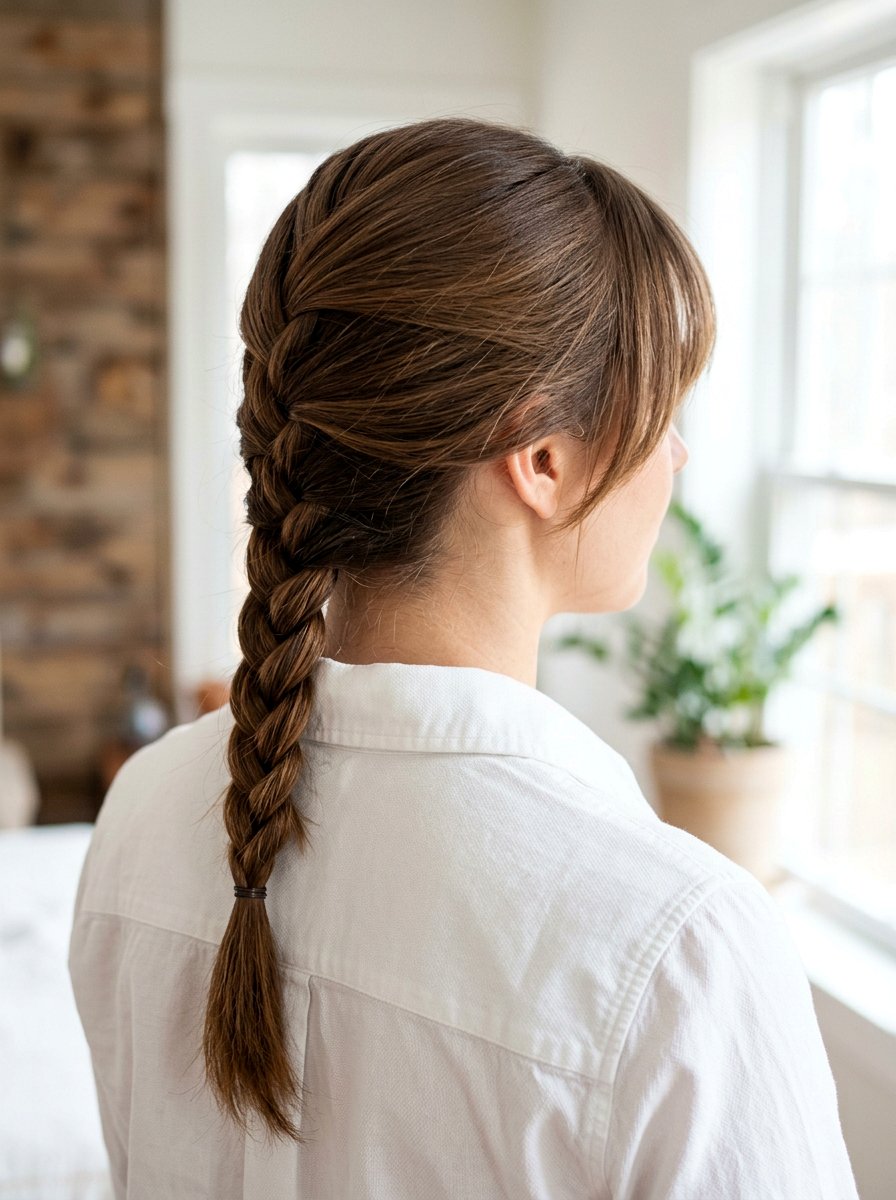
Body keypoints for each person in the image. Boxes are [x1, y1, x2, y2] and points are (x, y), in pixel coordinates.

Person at [68, 117, 859, 1199]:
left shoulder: (143, 809)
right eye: (665, 407)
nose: (677, 452)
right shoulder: (676, 947)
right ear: (541, 457)